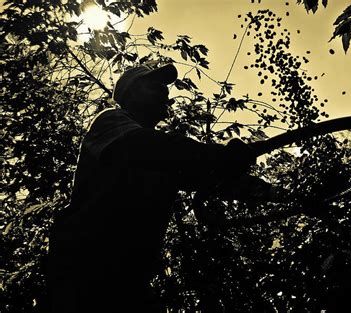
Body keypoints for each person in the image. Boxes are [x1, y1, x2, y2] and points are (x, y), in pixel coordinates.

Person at [47, 64, 274, 313]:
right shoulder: (112, 121)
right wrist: (219, 155)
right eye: (155, 86)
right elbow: (149, 148)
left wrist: (277, 193)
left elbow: (212, 179)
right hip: (86, 263)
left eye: (165, 89)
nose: (165, 93)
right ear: (131, 94)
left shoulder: (165, 158)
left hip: (129, 276)